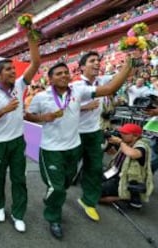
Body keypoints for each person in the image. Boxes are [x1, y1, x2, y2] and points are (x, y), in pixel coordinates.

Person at [25, 58, 133, 239]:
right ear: (50, 79)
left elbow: (109, 89)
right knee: (57, 187)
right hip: (51, 150)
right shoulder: (41, 97)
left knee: (65, 183)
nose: (64, 75)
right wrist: (45, 116)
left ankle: (53, 196)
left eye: (66, 72)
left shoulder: (78, 90)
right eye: (58, 73)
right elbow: (29, 116)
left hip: (73, 148)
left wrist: (128, 64)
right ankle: (54, 218)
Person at [0, 31, 40, 233]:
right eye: (8, 69)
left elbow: (35, 64)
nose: (13, 71)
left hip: (17, 142)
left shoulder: (20, 85)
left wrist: (31, 38)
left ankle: (18, 214)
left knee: (19, 179)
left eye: (13, 68)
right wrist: (4, 110)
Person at [72, 51, 115, 222]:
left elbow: (120, 78)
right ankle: (56, 192)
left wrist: (133, 57)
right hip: (74, 133)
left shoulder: (102, 81)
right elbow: (63, 109)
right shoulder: (74, 85)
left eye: (98, 61)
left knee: (95, 168)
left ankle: (88, 201)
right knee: (68, 169)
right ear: (82, 67)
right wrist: (84, 107)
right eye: (92, 61)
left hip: (94, 132)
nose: (97, 63)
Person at [100, 123, 154, 208]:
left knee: (95, 194)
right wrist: (112, 150)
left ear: (135, 136)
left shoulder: (142, 146)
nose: (121, 135)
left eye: (125, 133)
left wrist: (120, 142)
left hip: (125, 179)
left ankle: (126, 197)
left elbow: (133, 154)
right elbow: (123, 158)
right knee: (92, 180)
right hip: (115, 172)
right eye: (122, 132)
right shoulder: (126, 143)